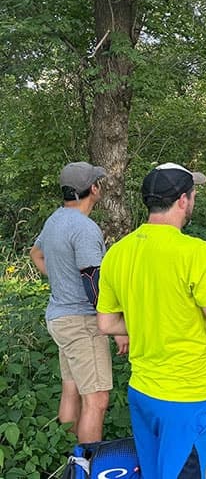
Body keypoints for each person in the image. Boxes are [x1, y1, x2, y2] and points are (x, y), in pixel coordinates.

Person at [96, 163, 206, 479]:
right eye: (193, 194)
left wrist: (149, 321)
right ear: (183, 200)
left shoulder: (117, 252)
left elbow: (106, 323)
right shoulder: (195, 252)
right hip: (185, 397)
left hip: (142, 392)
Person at [29, 161, 128, 443]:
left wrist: (61, 278)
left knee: (71, 389)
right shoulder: (84, 228)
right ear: (93, 188)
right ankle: (88, 463)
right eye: (98, 182)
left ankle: (71, 457)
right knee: (96, 400)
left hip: (60, 319)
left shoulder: (55, 220)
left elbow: (35, 254)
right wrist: (117, 326)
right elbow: (94, 283)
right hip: (82, 323)